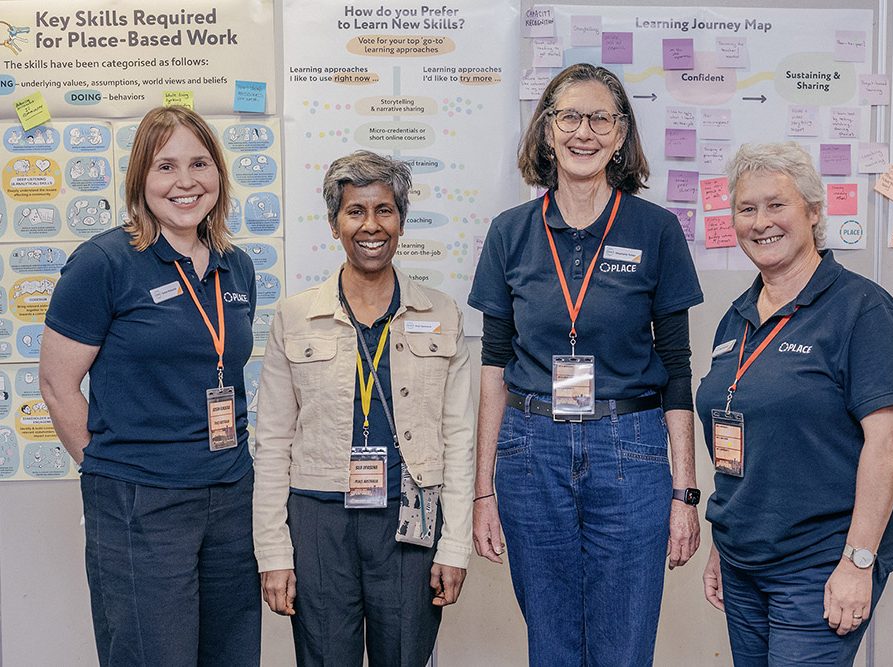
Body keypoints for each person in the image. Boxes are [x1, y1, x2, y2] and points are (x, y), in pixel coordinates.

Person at [469, 63, 703, 665]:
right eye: (569, 116)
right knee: (550, 644)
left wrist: (685, 492)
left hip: (632, 450)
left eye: (601, 118)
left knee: (623, 645)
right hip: (529, 453)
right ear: (546, 131)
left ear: (621, 136)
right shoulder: (510, 233)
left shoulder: (656, 230)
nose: (584, 132)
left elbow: (678, 369)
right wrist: (481, 492)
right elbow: (493, 366)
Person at [39, 106, 260, 666]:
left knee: (231, 654)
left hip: (231, 495)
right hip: (140, 501)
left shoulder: (237, 266)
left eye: (199, 164)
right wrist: (112, 467)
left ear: (219, 175)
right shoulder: (104, 263)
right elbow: (57, 385)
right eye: (166, 166)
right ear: (140, 178)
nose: (185, 182)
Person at [253, 150, 475, 667]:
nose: (370, 226)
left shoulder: (439, 313)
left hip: (409, 516)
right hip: (318, 518)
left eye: (384, 210)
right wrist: (274, 553)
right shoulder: (295, 316)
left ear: (401, 220)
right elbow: (272, 444)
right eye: (355, 211)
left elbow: (459, 438)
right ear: (334, 223)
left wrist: (455, 545)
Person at [697, 142, 893, 666]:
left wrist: (859, 563)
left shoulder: (862, 309)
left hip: (820, 562)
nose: (760, 222)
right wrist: (721, 544)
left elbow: (888, 441)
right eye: (746, 209)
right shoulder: (737, 317)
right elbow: (739, 442)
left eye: (777, 205)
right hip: (743, 561)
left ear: (813, 213)